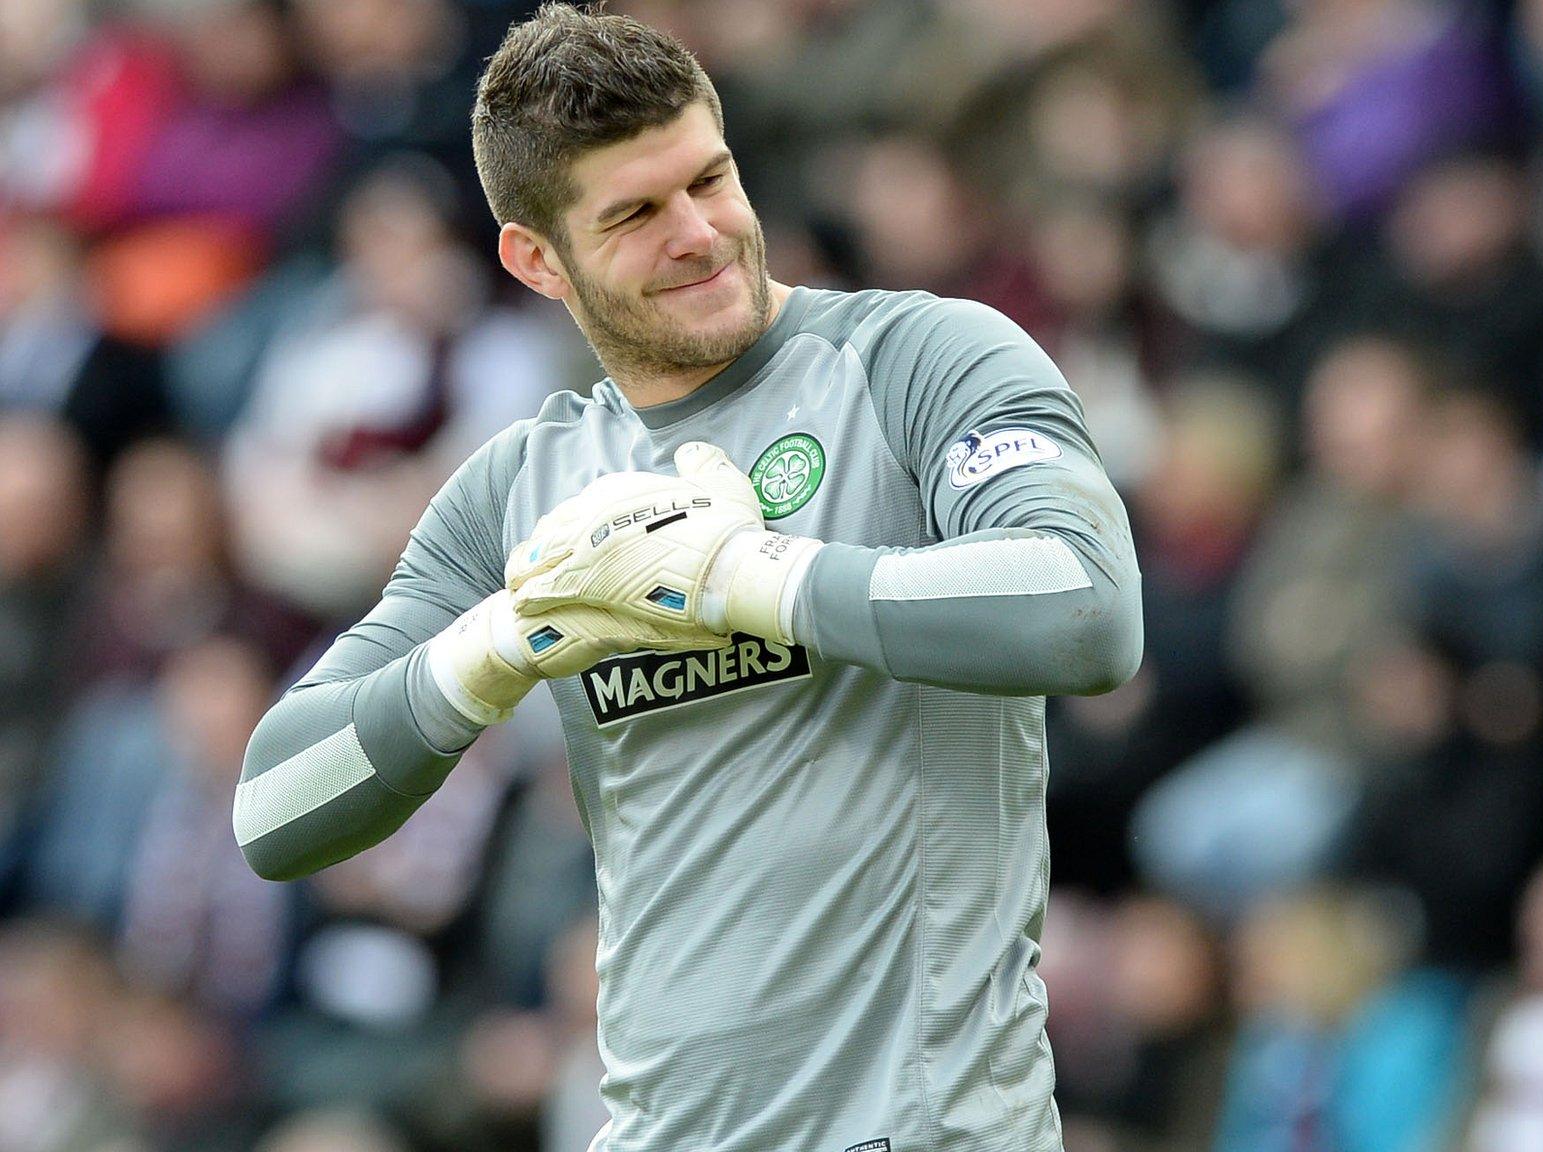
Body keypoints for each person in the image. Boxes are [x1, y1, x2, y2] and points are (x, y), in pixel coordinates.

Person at [233, 6, 1144, 1152]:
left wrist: (740, 578)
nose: (701, 232)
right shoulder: (523, 487)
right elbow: (273, 809)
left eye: (709, 179)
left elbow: (1088, 609)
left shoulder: (921, 360)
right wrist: (490, 650)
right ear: (533, 259)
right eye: (633, 214)